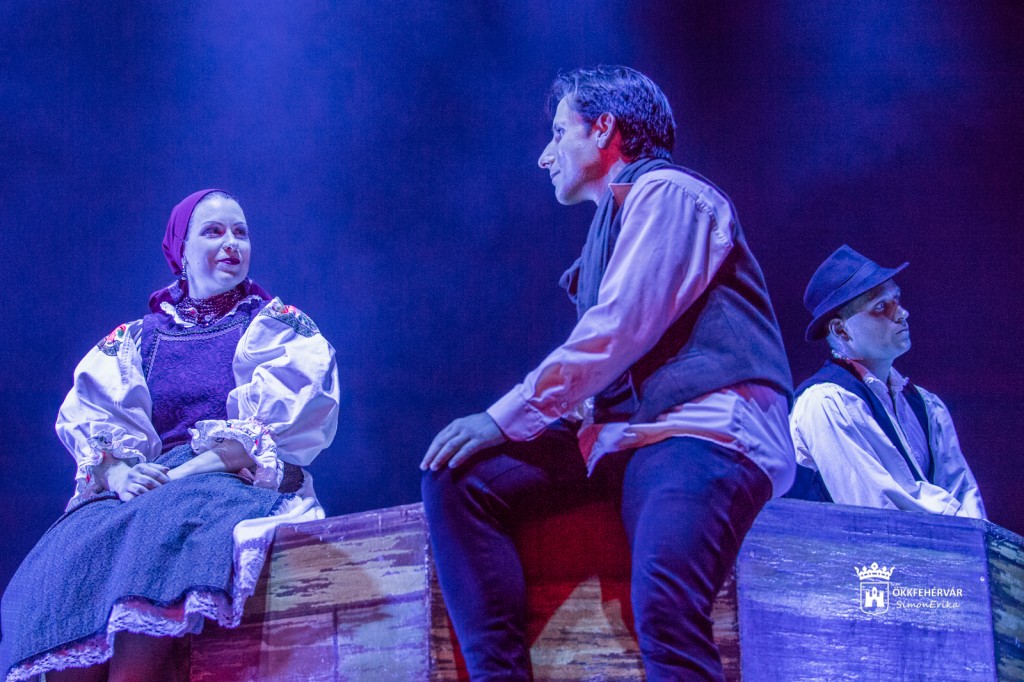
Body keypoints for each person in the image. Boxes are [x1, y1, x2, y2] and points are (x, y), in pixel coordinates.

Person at [420, 66, 795, 681]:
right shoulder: (605, 232)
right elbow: (608, 367)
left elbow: (620, 326)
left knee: (667, 610)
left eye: (557, 133)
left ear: (603, 128)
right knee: (458, 475)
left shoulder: (669, 194)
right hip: (626, 436)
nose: (544, 156)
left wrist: (506, 415)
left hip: (700, 429)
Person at [0, 190, 340, 681]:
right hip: (155, 484)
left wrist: (181, 475)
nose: (231, 243)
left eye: (240, 232)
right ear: (182, 248)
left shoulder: (274, 328)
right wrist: (119, 473)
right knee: (71, 551)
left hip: (229, 477)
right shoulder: (139, 338)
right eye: (214, 231)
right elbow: (99, 421)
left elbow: (273, 427)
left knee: (163, 536)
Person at [787, 244, 985, 517]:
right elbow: (878, 508)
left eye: (897, 299)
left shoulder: (926, 405)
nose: (902, 313)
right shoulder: (825, 402)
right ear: (841, 330)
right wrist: (958, 522)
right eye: (881, 306)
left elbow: (965, 495)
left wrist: (975, 535)